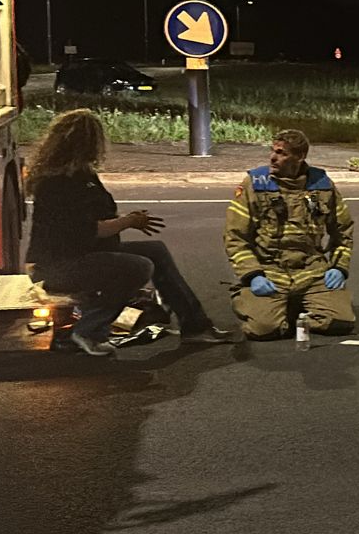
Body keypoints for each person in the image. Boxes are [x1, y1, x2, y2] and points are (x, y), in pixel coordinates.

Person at [26, 109, 232, 356]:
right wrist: (128, 222)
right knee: (138, 266)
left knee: (155, 250)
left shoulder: (82, 175)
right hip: (60, 265)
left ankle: (195, 325)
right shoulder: (57, 184)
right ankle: (89, 329)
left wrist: (127, 220)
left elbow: (98, 218)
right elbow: (88, 231)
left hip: (83, 254)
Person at [225, 128, 356, 340]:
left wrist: (339, 267)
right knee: (264, 329)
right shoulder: (255, 184)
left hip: (311, 271)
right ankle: (245, 295)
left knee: (339, 322)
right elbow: (235, 237)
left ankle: (295, 303)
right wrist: (253, 275)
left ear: (300, 156)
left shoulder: (322, 185)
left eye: (281, 153)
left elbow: (343, 230)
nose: (273, 157)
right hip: (269, 271)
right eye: (273, 151)